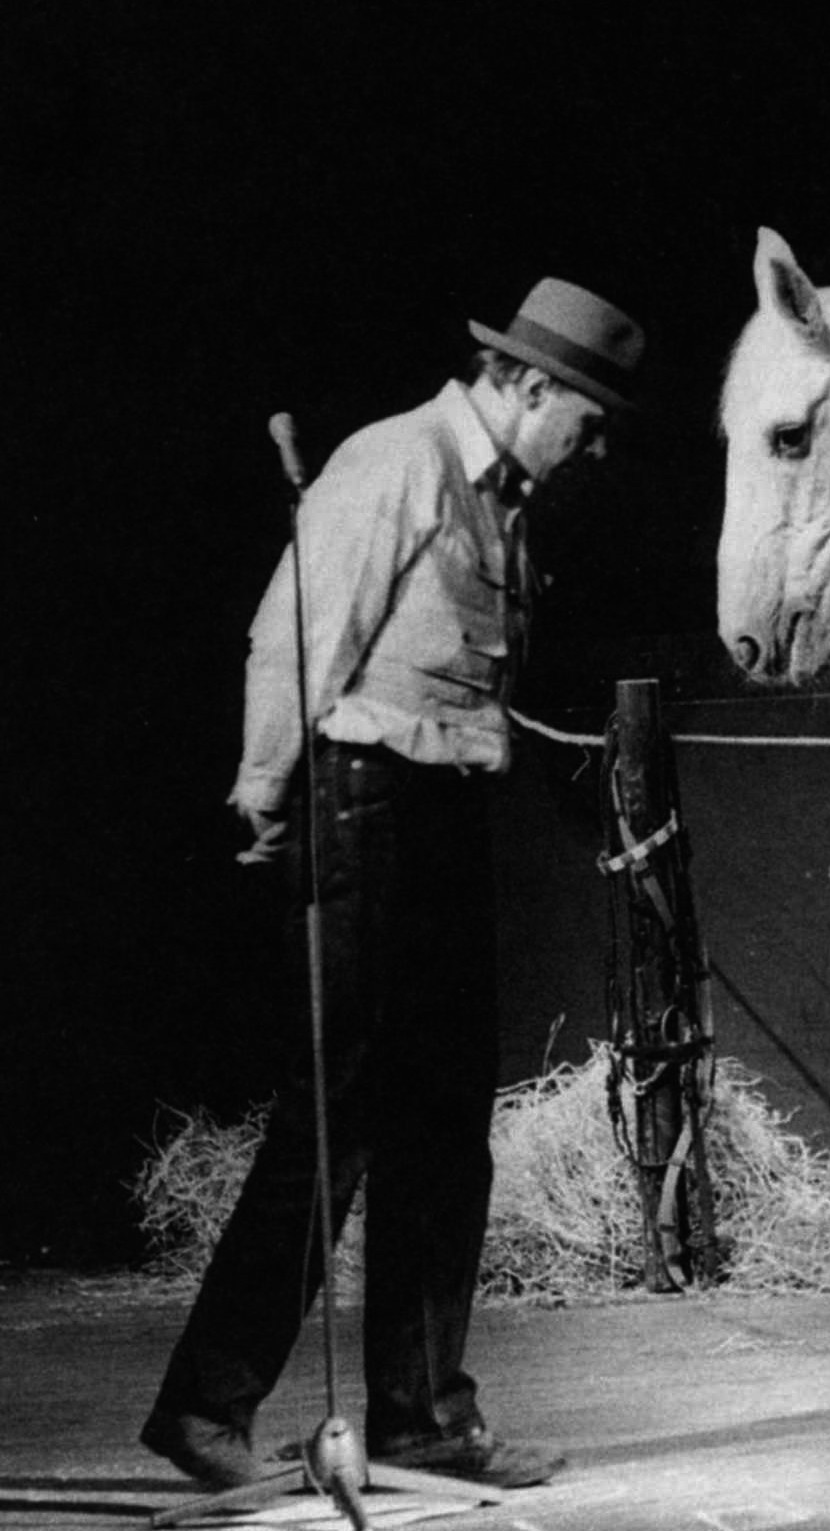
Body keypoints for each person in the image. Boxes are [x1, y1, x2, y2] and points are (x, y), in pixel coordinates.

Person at [140, 277, 645, 1492]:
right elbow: (295, 637)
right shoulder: (399, 462)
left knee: (445, 1124)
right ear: (525, 386)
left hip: (440, 810)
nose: (595, 447)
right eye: (584, 419)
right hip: (360, 801)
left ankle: (423, 1413)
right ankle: (205, 1403)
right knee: (341, 1114)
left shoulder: (501, 500)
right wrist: (264, 791)